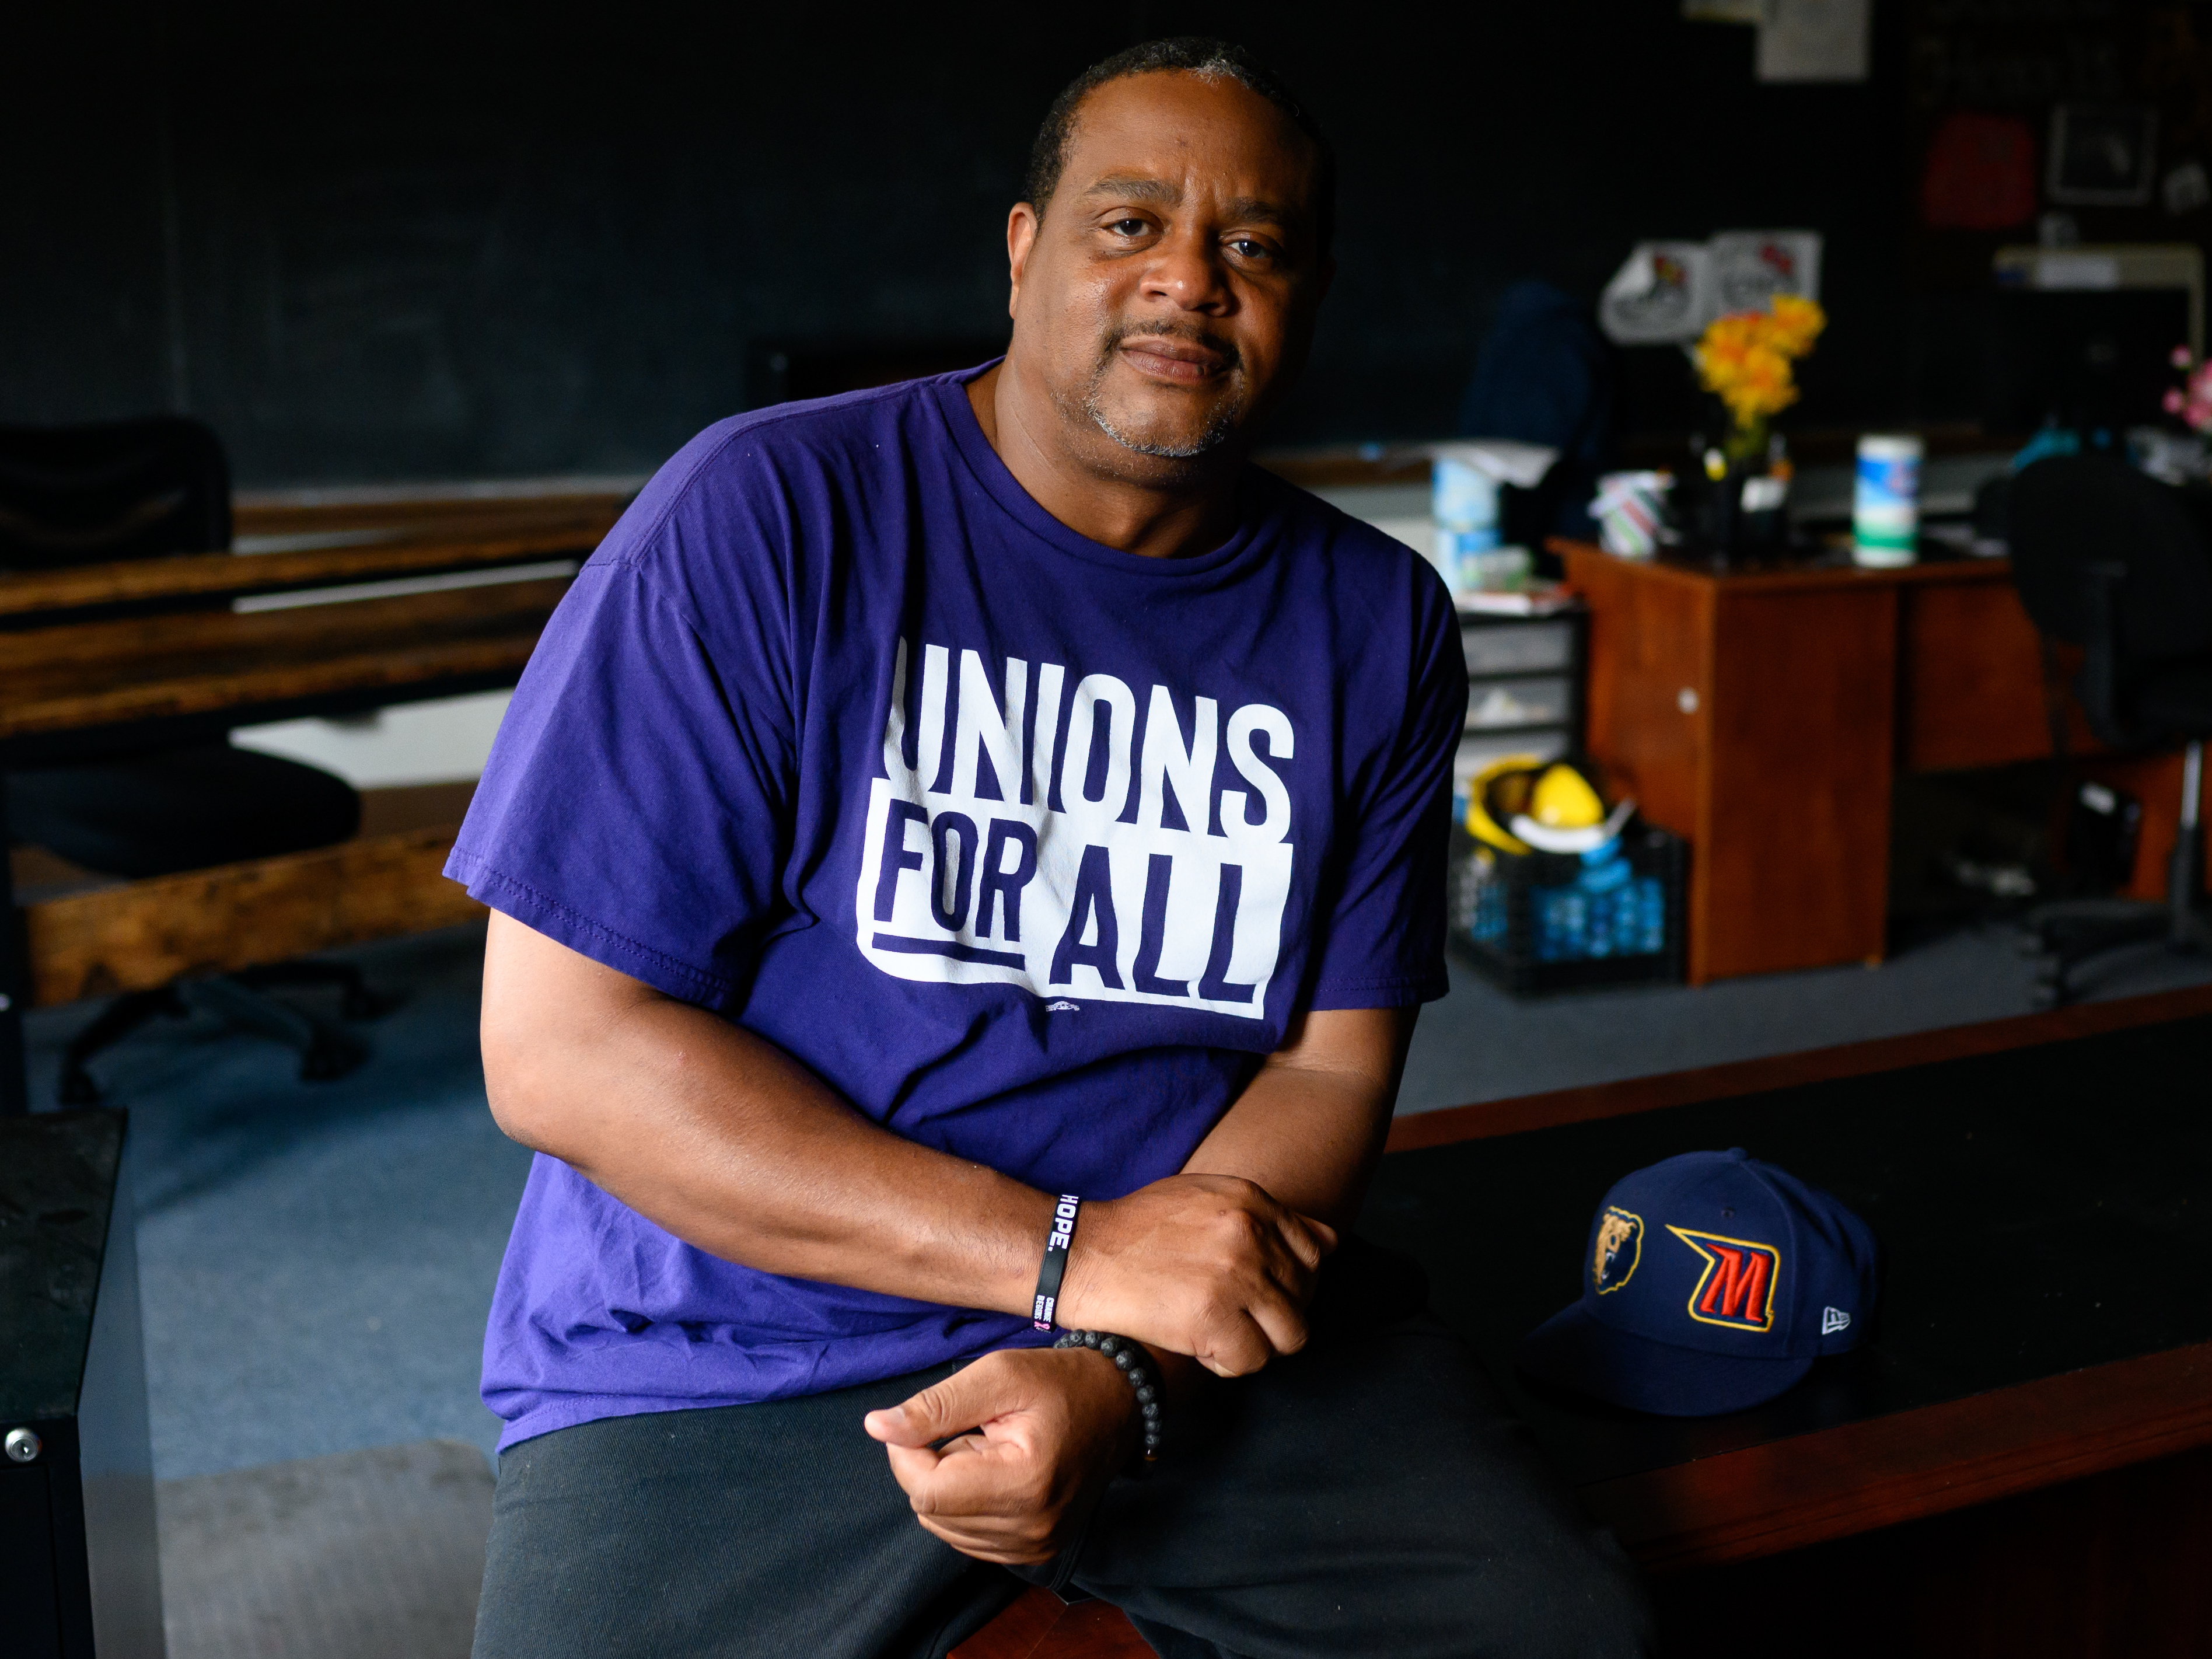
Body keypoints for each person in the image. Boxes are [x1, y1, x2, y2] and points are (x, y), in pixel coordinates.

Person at [453, 36, 1654, 1659]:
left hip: (1186, 1337)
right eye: (1128, 222)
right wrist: (1066, 1260)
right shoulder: (764, 515)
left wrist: (1117, 1363)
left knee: (1562, 1635)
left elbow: (1325, 1073)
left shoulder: (1376, 622)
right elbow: (561, 1054)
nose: (1189, 280)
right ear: (1022, 253)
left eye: (1253, 245)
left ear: (1309, 295)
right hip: (742, 1343)